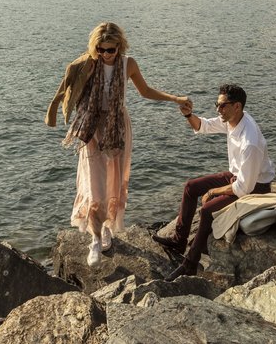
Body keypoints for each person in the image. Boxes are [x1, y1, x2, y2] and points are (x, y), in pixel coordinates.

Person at [46, 22, 191, 268]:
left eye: (110, 50)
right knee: (95, 188)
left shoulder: (128, 64)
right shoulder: (88, 64)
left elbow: (145, 91)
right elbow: (68, 87)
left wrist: (175, 98)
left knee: (113, 182)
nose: (105, 54)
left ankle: (106, 228)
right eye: (100, 49)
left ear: (119, 47)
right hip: (92, 128)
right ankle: (94, 238)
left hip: (118, 127)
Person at [153, 83, 275, 281]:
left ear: (237, 106)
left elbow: (244, 188)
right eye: (216, 105)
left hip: (256, 186)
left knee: (208, 209)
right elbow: (203, 126)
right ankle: (178, 241)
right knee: (191, 187)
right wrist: (187, 115)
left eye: (222, 106)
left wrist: (214, 192)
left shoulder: (249, 141)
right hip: (237, 175)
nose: (218, 110)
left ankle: (190, 264)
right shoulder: (231, 119)